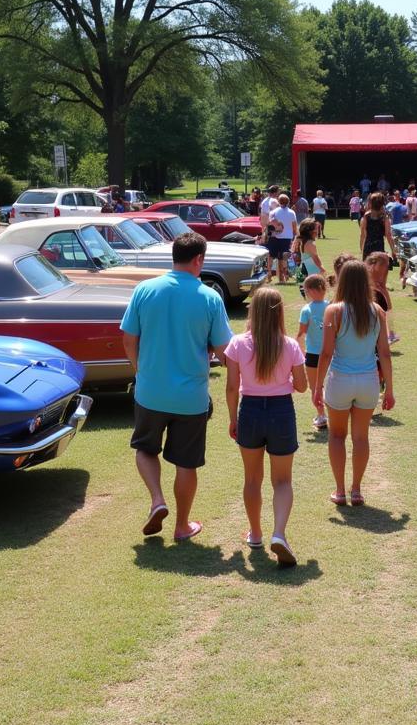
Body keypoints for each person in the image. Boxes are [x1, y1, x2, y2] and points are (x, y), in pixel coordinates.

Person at [122, 231, 232, 542]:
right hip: (191, 397)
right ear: (199, 259)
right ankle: (182, 525)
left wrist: (139, 369)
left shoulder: (145, 290)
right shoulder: (210, 297)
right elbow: (225, 352)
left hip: (150, 391)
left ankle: (157, 499)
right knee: (187, 463)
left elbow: (129, 339)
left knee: (144, 449)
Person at [225, 288, 307, 566]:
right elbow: (302, 386)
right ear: (280, 312)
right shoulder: (290, 345)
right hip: (281, 410)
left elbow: (231, 388)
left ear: (253, 312)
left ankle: (256, 533)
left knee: (252, 479)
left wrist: (233, 419)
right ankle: (279, 533)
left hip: (249, 410)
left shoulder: (237, 343)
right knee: (282, 480)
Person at [314, 259, 395, 506]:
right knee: (361, 437)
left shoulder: (333, 311)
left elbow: (326, 353)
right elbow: (385, 352)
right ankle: (357, 490)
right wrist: (389, 389)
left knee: (337, 436)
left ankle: (340, 491)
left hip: (340, 379)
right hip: (368, 381)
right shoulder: (378, 312)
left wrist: (317, 386)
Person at [297, 273, 328, 429]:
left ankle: (321, 415)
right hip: (330, 354)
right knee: (329, 385)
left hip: (313, 355)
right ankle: (334, 413)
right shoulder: (331, 307)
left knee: (315, 387)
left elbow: (302, 332)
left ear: (310, 290)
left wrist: (299, 349)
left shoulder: (306, 310)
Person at [360, 192, 398, 267]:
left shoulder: (366, 216)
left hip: (368, 247)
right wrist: (393, 251)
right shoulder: (384, 217)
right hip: (379, 247)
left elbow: (363, 235)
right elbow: (388, 235)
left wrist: (362, 248)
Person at [269, 193, 298, 283]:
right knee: (284, 258)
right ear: (288, 202)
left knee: (273, 257)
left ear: (279, 201)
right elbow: (294, 227)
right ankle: (284, 277)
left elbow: (270, 225)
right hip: (286, 237)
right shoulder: (292, 212)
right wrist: (295, 235)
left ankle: (271, 276)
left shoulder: (273, 212)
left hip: (275, 236)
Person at [292, 216, 325, 284]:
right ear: (311, 231)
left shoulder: (303, 241)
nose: (317, 231)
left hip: (305, 268)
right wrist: (321, 268)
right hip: (311, 270)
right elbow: (315, 258)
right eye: (316, 229)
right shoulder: (310, 243)